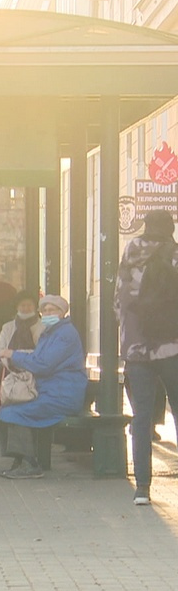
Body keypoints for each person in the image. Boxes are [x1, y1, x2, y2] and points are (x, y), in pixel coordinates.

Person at [115, 210, 178, 506]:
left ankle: (142, 487)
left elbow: (118, 301)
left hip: (137, 349)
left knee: (140, 417)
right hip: (171, 347)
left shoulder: (130, 254)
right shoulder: (174, 254)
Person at [0, 295, 87, 479]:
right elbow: (38, 359)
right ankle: (21, 460)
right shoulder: (49, 332)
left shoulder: (65, 334)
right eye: (45, 311)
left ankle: (29, 463)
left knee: (14, 413)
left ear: (62, 313)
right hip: (49, 391)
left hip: (62, 394)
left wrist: (14, 354)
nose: (48, 313)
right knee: (4, 412)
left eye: (53, 310)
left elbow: (43, 364)